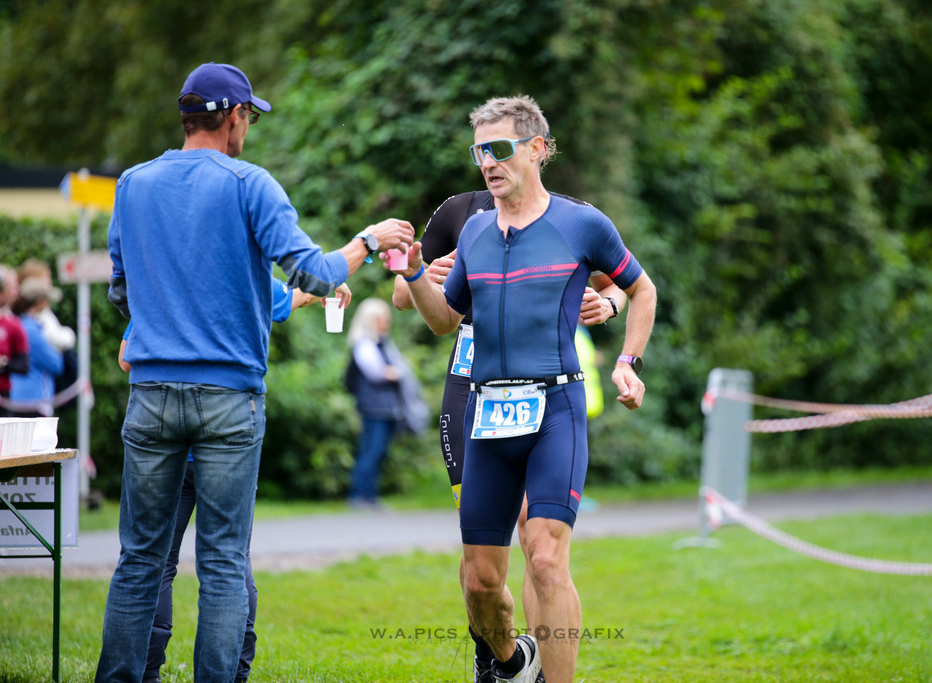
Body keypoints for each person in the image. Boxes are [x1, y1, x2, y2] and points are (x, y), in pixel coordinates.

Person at [98, 61, 413, 682]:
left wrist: (165, 325)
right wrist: (368, 243)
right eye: (250, 116)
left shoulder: (132, 184)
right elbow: (317, 273)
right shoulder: (249, 182)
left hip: (152, 396)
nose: (250, 128)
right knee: (221, 562)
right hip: (229, 399)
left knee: (138, 560)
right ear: (234, 116)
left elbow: (121, 291)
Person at [397, 95, 656, 683]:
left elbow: (641, 291)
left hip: (556, 410)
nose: (488, 162)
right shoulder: (477, 232)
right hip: (486, 415)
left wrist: (628, 361)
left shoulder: (580, 223)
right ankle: (515, 664)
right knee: (480, 582)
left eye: (500, 149)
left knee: (544, 558)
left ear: (536, 149)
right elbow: (444, 321)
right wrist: (414, 274)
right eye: (479, 151)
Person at [118, 277, 335, 683]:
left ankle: (145, 673)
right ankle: (234, 672)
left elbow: (127, 356)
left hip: (166, 442)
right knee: (229, 563)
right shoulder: (245, 275)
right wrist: (329, 285)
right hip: (227, 440)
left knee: (153, 563)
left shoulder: (167, 281)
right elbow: (288, 297)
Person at [343, 298, 419, 507]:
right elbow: (378, 373)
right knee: (371, 451)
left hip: (385, 408)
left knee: (378, 453)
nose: (387, 322)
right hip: (373, 407)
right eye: (383, 318)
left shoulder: (382, 343)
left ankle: (369, 496)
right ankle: (359, 496)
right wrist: (395, 373)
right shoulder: (365, 344)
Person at [9, 278, 65, 418]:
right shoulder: (31, 330)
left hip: (18, 398)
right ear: (40, 302)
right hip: (32, 400)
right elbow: (55, 364)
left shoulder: (19, 323)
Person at [0, 269, 29, 419]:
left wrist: (1, 363)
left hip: (1, 397)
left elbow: (23, 365)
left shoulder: (12, 325)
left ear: (0, 294)